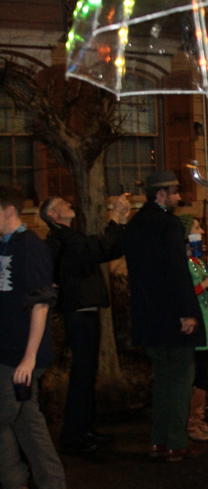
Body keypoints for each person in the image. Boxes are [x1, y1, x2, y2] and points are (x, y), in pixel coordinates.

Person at [123, 171, 205, 461]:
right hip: (172, 315)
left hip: (147, 315)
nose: (179, 197)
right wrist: (186, 312)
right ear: (161, 194)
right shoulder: (168, 225)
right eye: (174, 192)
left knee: (162, 379)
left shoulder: (134, 226)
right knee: (180, 377)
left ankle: (158, 439)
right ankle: (175, 441)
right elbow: (175, 271)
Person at [0, 185, 69, 489]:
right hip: (7, 351)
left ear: (7, 210)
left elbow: (41, 303)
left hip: (21, 356)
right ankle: (53, 487)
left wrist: (28, 359)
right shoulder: (5, 247)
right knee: (27, 418)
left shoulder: (31, 248)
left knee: (2, 416)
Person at [40, 192, 130, 454]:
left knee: (87, 372)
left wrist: (121, 221)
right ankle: (73, 434)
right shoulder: (63, 237)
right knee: (82, 373)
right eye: (62, 204)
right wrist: (114, 217)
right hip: (78, 311)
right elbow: (98, 248)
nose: (69, 204)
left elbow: (110, 248)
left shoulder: (70, 238)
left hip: (84, 310)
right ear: (53, 216)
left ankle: (84, 428)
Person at [180, 215, 208, 441]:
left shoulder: (196, 261)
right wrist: (206, 283)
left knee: (205, 374)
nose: (202, 232)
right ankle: (191, 423)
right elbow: (186, 293)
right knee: (197, 375)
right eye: (197, 227)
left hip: (207, 323)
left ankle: (200, 420)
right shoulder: (182, 263)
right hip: (197, 326)